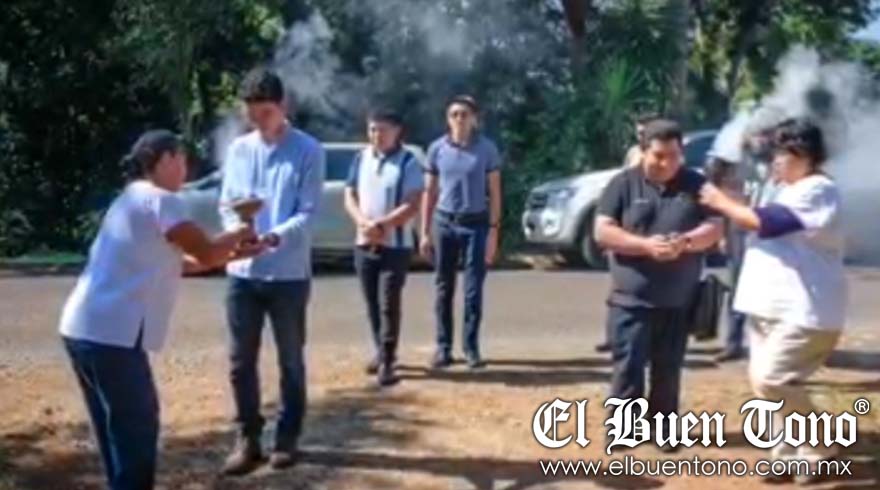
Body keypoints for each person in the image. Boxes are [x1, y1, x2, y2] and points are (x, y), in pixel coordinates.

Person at [60, 130, 259, 490]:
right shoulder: (163, 200)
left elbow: (179, 263)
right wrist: (241, 231)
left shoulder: (129, 197)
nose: (185, 168)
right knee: (136, 429)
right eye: (181, 159)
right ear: (165, 159)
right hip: (111, 336)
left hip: (82, 329)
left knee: (115, 430)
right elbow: (205, 251)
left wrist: (233, 253)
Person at [700, 118, 846, 483]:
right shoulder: (784, 188)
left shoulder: (818, 189)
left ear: (806, 155)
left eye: (783, 154)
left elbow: (769, 223)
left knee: (772, 380)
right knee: (767, 388)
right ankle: (787, 456)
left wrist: (719, 200)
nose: (775, 161)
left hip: (804, 310)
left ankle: (822, 443)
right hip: (768, 306)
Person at [219, 68, 326, 475]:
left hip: (288, 274)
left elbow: (308, 212)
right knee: (239, 361)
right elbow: (227, 203)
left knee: (290, 360)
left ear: (282, 107)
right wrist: (237, 234)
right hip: (243, 272)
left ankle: (287, 437)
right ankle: (247, 438)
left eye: (265, 113)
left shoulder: (308, 150)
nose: (258, 121)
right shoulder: (239, 150)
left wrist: (273, 237)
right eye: (251, 114)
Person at [594, 119, 723, 452]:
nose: (667, 163)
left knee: (669, 369)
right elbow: (603, 231)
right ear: (643, 152)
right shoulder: (623, 184)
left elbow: (715, 227)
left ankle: (664, 429)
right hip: (630, 300)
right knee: (628, 368)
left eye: (674, 155)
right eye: (659, 156)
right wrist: (646, 246)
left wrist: (686, 242)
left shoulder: (696, 184)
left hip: (678, 300)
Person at [420, 95, 502, 369]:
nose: (459, 119)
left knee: (473, 289)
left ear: (474, 119)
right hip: (444, 223)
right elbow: (429, 192)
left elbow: (495, 192)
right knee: (443, 287)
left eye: (464, 114)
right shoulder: (437, 149)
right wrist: (424, 232)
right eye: (454, 114)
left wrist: (494, 231)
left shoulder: (486, 149)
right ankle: (443, 347)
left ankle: (471, 347)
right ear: (447, 119)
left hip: (475, 224)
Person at [344, 108, 424, 386]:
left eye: (382, 130)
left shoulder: (408, 162)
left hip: (395, 245)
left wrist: (384, 225)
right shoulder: (361, 158)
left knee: (389, 302)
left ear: (397, 131)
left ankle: (388, 360)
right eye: (372, 129)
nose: (376, 135)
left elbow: (412, 203)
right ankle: (380, 350)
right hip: (364, 242)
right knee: (371, 302)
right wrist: (362, 222)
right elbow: (350, 194)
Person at [704, 154, 749, 362]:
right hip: (738, 232)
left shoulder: (767, 162)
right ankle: (734, 343)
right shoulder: (728, 159)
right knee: (738, 290)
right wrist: (722, 233)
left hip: (762, 232)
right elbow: (720, 200)